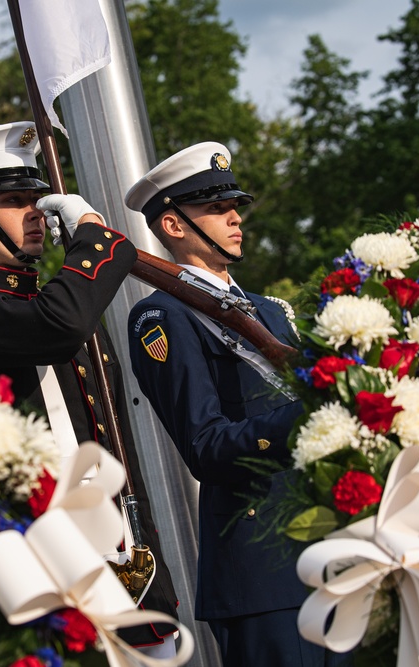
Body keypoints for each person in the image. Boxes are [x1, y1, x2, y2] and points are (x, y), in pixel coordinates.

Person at [0, 121, 180, 656]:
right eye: (13, 200)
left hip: (127, 558)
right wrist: (94, 233)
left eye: (36, 197)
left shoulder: (56, 302)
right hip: (38, 566)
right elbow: (55, 325)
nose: (34, 212)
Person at [125, 142, 332, 666]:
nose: (236, 216)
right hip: (261, 570)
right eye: (216, 209)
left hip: (331, 550)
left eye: (233, 204)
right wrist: (311, 416)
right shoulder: (162, 316)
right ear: (173, 226)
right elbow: (205, 445)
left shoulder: (268, 312)